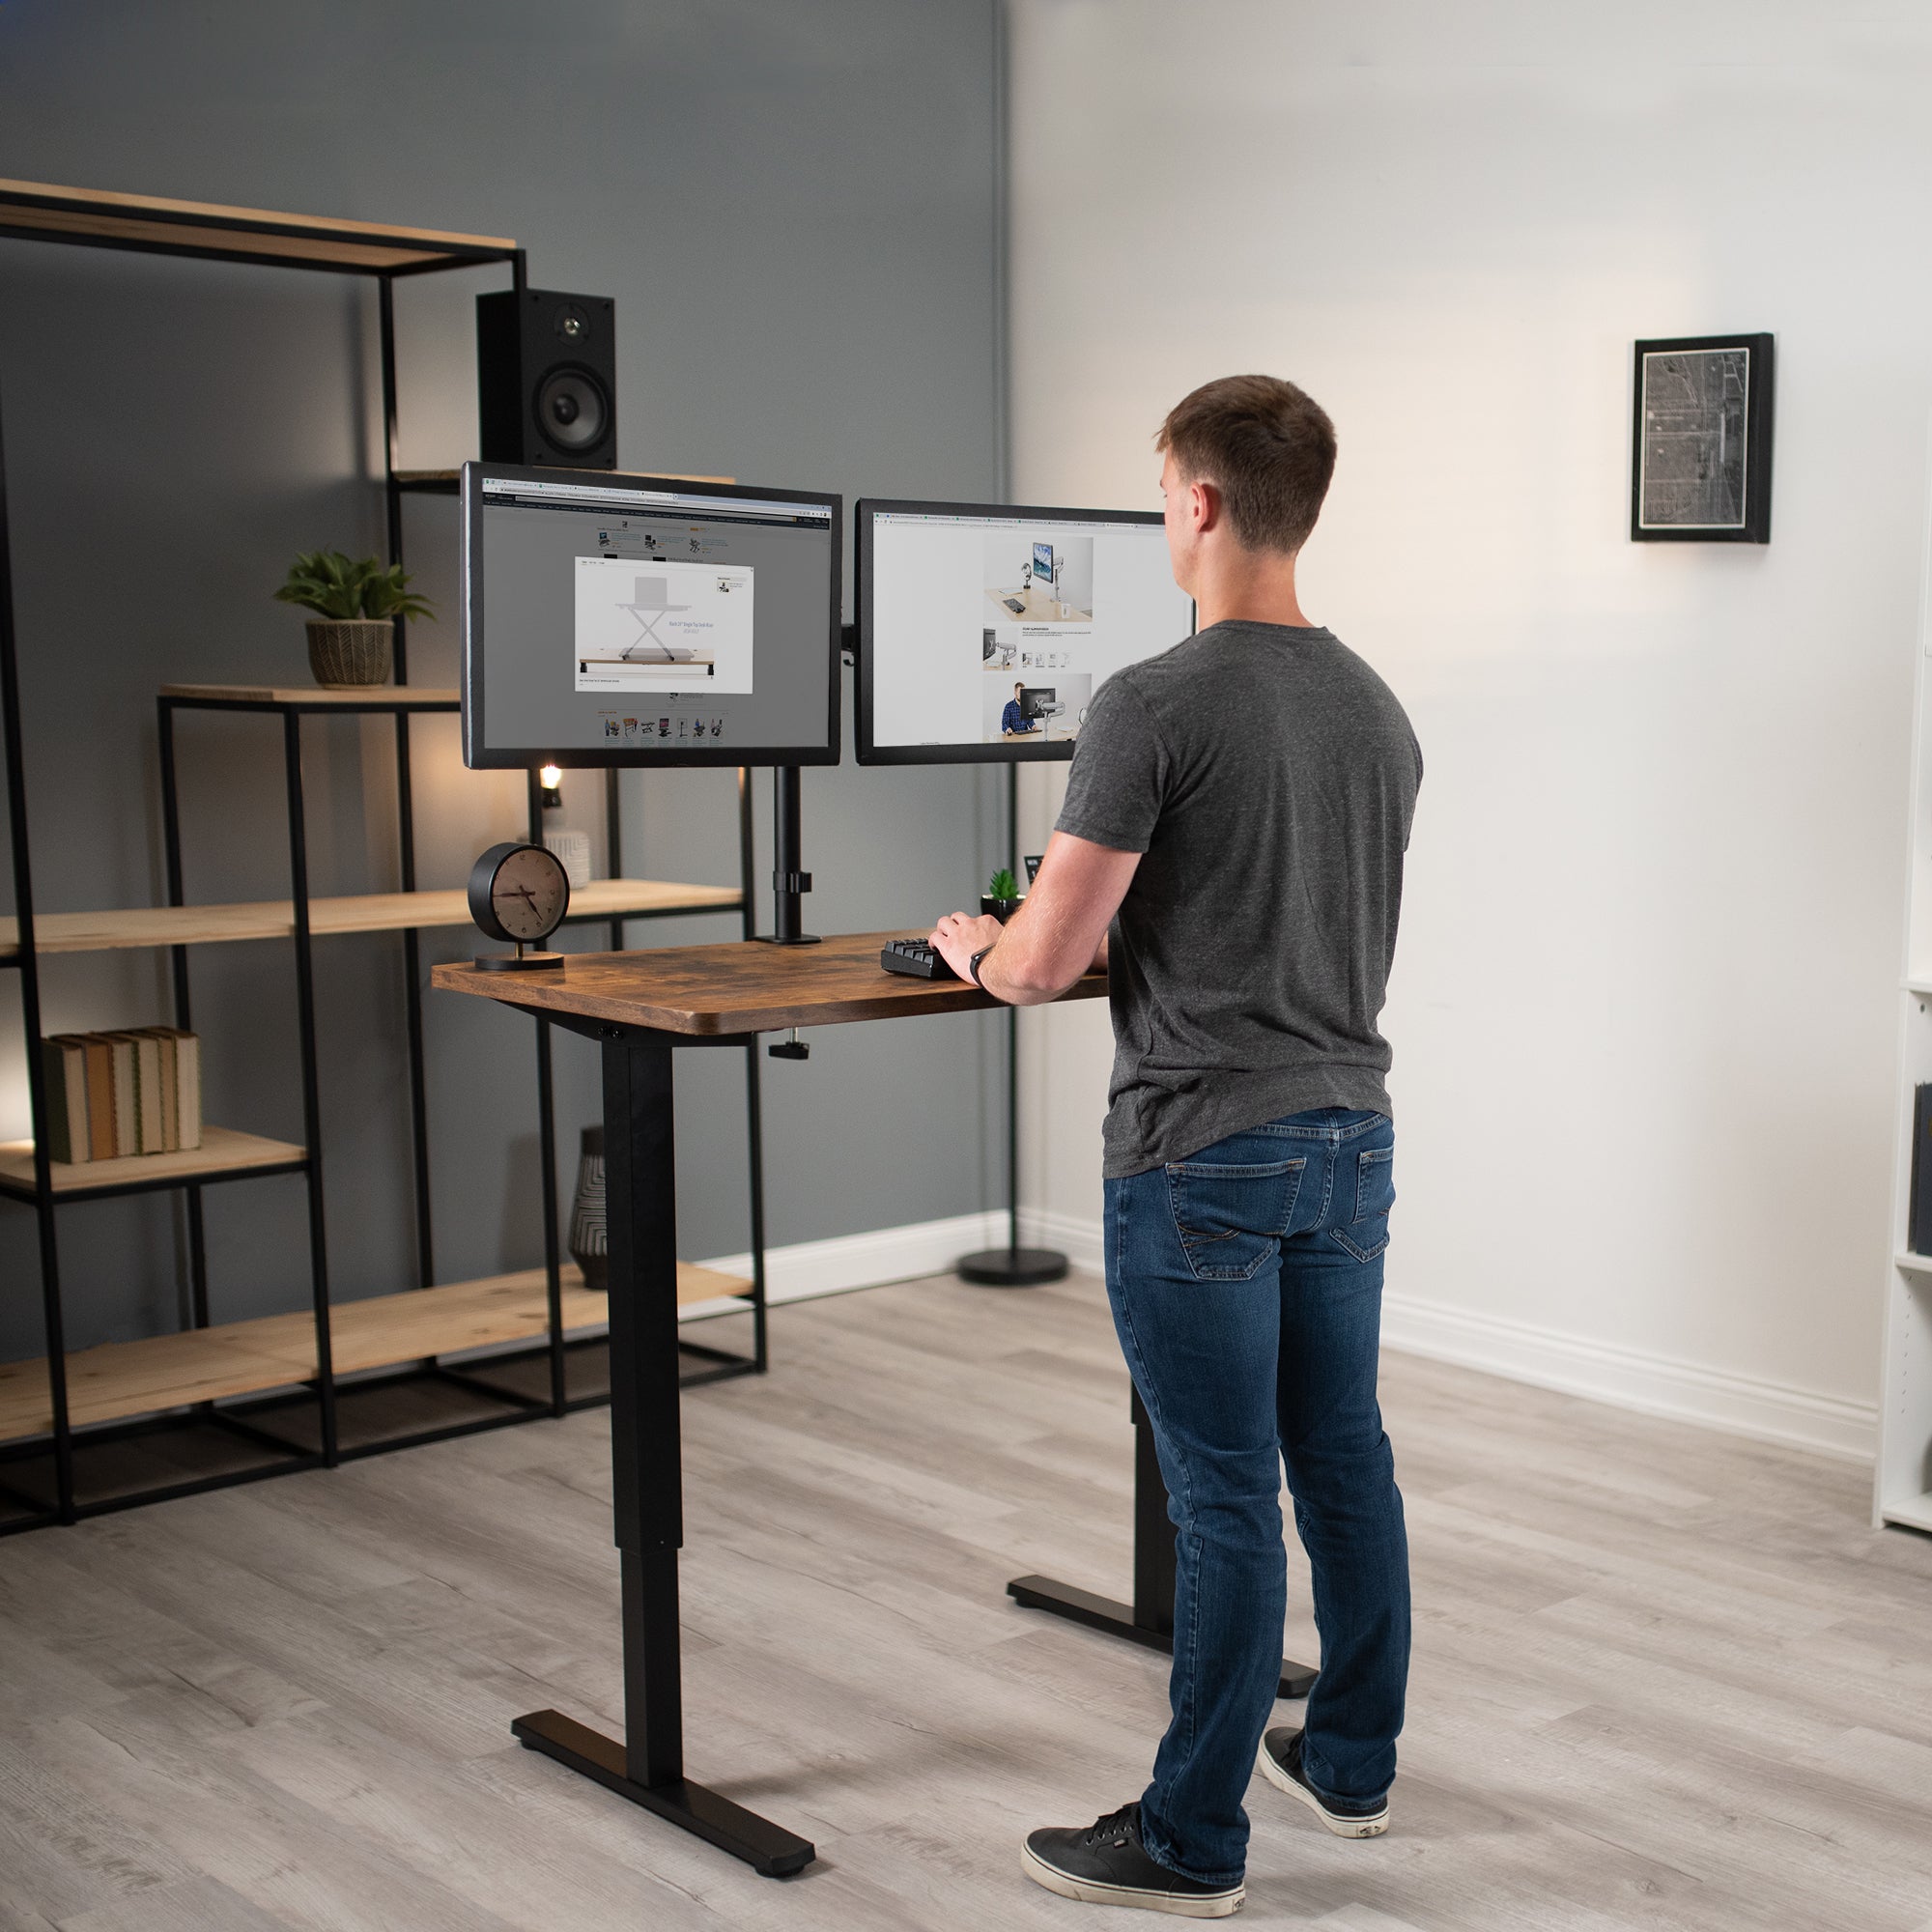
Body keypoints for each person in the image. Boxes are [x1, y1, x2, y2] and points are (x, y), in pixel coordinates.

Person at [929, 373, 1421, 1918]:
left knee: (1221, 1499)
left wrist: (970, 943)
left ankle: (1191, 1838)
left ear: (1197, 503)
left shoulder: (1153, 702)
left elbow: (1037, 960)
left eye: (1161, 496)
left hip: (1199, 1146)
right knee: (1341, 1460)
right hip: (1346, 1137)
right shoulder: (1376, 708)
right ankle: (1346, 1762)